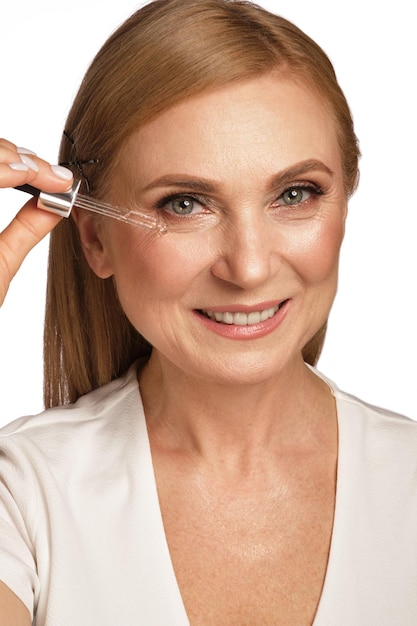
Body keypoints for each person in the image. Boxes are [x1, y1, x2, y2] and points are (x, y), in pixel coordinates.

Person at [0, 0, 416, 624]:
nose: (247, 268)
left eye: (294, 194)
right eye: (186, 204)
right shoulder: (24, 496)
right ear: (94, 238)